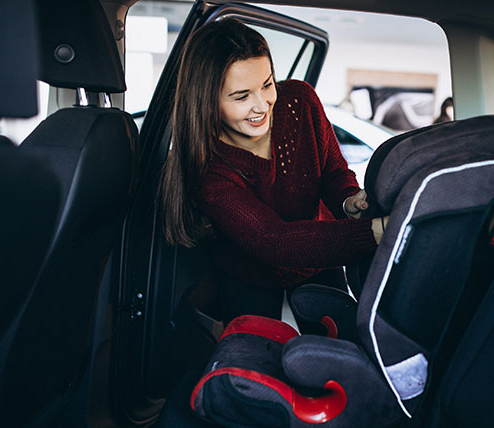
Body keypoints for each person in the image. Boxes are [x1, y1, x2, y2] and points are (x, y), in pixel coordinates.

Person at [158, 18, 388, 323]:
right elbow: (274, 240)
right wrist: (380, 230)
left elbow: (333, 171)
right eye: (241, 96)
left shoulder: (300, 101)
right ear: (207, 102)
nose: (262, 105)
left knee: (334, 353)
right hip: (247, 278)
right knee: (255, 359)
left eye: (267, 84)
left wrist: (349, 202)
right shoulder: (206, 168)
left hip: (322, 260)